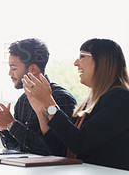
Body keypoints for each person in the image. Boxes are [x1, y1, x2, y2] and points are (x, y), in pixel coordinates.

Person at [22, 38, 129, 170]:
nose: (75, 63)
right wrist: (41, 110)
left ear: (102, 60)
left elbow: (80, 143)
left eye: (82, 56)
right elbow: (60, 151)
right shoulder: (88, 103)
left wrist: (49, 103)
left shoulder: (120, 99)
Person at [0, 38, 77, 155]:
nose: (9, 73)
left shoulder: (61, 98)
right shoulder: (23, 101)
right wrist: (4, 127)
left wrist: (11, 124)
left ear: (33, 69)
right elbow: (17, 149)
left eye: (14, 68)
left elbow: (51, 151)